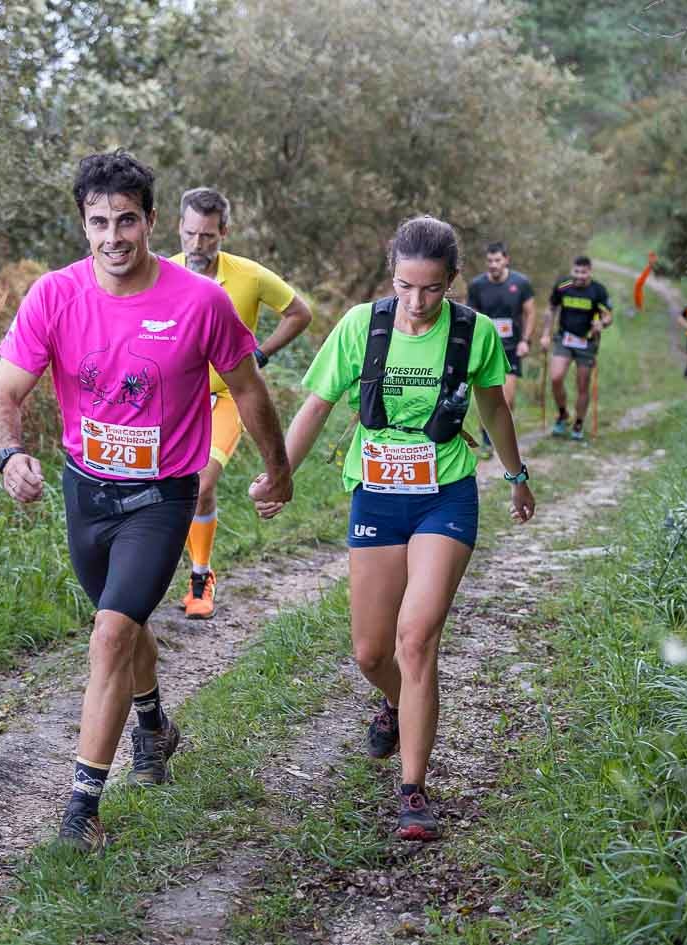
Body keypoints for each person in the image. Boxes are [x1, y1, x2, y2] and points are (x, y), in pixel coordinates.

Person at [0, 151, 293, 852]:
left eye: (126, 219)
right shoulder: (54, 296)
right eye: (98, 221)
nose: (112, 236)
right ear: (82, 223)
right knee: (120, 623)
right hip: (84, 491)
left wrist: (278, 469)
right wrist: (10, 454)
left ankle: (80, 808)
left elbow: (248, 391)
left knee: (110, 634)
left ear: (153, 220)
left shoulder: (199, 301)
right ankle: (153, 723)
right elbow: (3, 392)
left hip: (161, 494)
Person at [255, 215, 535, 841]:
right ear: (392, 278)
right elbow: (317, 407)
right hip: (377, 496)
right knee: (371, 652)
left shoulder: (474, 334)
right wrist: (279, 475)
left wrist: (516, 476)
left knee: (415, 641)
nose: (416, 304)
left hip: (446, 495)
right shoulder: (362, 326)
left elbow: (492, 405)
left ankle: (413, 792)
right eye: (405, 287)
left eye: (431, 289)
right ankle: (396, 701)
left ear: (451, 283)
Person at [169, 187, 313, 619]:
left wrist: (261, 354)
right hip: (176, 398)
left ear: (224, 232)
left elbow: (300, 313)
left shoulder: (247, 275)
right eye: (191, 234)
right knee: (169, 487)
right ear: (178, 228)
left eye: (209, 236)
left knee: (202, 482)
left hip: (230, 395)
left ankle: (200, 577)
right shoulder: (162, 273)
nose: (198, 245)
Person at [464, 242, 535, 456]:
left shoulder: (520, 283)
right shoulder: (477, 285)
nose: (493, 265)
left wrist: (526, 340)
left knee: (507, 397)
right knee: (486, 394)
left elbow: (530, 313)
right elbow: (471, 316)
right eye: (490, 261)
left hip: (512, 347)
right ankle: (487, 439)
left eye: (497, 260)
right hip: (486, 347)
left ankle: (501, 432)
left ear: (506, 260)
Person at [541, 256, 612, 440]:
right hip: (564, 338)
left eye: (584, 272)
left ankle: (579, 423)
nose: (579, 276)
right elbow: (551, 308)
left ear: (590, 271)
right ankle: (563, 414)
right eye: (576, 272)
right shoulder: (564, 286)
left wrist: (601, 324)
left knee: (582, 385)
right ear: (572, 270)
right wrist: (545, 334)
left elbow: (608, 316)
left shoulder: (598, 291)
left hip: (586, 343)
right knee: (556, 378)